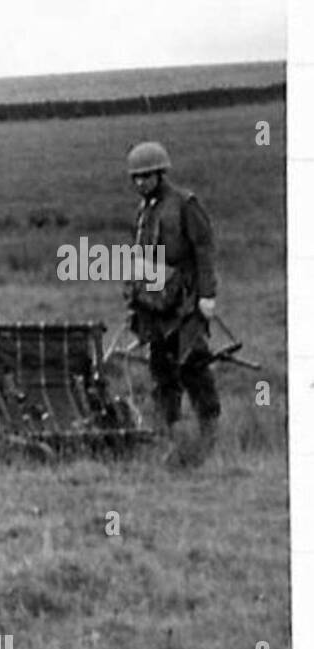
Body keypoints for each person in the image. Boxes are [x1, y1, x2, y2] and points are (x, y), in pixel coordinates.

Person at [123, 140, 221, 457]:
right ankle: (172, 438)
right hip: (154, 305)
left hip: (186, 304)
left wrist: (207, 295)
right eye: (136, 178)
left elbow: (204, 250)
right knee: (161, 372)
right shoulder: (144, 211)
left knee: (194, 366)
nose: (141, 183)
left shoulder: (185, 204)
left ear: (160, 174)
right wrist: (134, 300)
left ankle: (209, 438)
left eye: (146, 177)